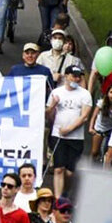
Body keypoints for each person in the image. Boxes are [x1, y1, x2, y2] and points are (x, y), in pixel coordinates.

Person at [45, 65, 92, 198]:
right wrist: (53, 106)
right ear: (66, 76)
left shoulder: (85, 94)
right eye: (73, 76)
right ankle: (58, 199)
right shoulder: (57, 92)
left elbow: (84, 117)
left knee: (70, 172)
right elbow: (48, 115)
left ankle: (65, 191)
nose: (76, 79)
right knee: (59, 168)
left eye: (78, 76)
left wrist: (68, 129)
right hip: (58, 135)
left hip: (76, 137)